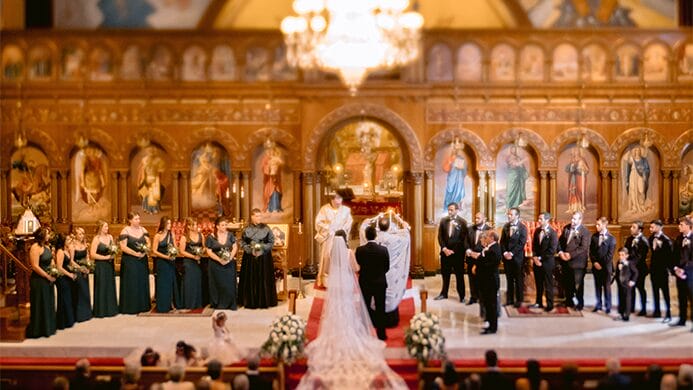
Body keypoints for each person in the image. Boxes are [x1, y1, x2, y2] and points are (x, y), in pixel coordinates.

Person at [296, 229, 407, 389]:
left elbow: (326, 270)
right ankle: (363, 333)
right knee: (348, 307)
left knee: (335, 308)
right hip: (349, 283)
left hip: (335, 284)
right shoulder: (350, 252)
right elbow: (356, 268)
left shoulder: (329, 254)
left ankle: (334, 335)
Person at [359, 212, 411, 327]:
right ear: (389, 227)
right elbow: (406, 232)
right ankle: (389, 319)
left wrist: (369, 220)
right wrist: (401, 221)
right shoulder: (398, 240)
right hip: (391, 273)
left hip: (374, 274)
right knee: (388, 292)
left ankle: (373, 319)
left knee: (374, 295)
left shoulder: (371, 237)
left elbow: (363, 228)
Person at [238, 208, 277, 309]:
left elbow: (271, 242)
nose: (259, 218)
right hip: (250, 258)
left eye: (260, 216)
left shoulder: (266, 228)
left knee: (263, 278)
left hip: (264, 258)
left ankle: (265, 301)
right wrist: (249, 250)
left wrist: (262, 249)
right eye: (257, 216)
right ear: (252, 217)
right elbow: (242, 242)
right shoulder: (246, 229)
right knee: (250, 278)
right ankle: (250, 301)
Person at [356, 226, 390, 341]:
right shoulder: (383, 250)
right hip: (380, 282)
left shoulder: (360, 250)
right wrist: (379, 274)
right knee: (381, 307)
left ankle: (364, 332)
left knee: (364, 308)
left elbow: (359, 264)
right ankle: (381, 334)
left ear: (365, 236)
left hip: (365, 281)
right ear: (376, 235)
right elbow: (387, 267)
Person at [314, 189, 353, 288]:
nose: (337, 201)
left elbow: (349, 223)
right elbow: (318, 223)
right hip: (328, 237)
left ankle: (340, 281)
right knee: (327, 257)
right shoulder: (324, 209)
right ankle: (325, 280)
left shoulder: (346, 210)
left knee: (340, 258)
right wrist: (329, 229)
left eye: (340, 198)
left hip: (340, 238)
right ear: (331, 199)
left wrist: (341, 231)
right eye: (335, 198)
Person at [26, 227, 57, 338]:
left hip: (49, 278)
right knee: (40, 303)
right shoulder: (35, 247)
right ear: (42, 235)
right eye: (47, 234)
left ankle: (48, 327)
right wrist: (47, 276)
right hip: (39, 280)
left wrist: (54, 269)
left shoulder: (46, 246)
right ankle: (38, 330)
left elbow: (51, 260)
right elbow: (35, 266)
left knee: (48, 302)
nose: (49, 235)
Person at [119, 212, 151, 314]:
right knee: (132, 282)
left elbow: (148, 242)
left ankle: (143, 305)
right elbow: (123, 247)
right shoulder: (125, 230)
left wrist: (145, 250)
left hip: (142, 260)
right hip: (130, 261)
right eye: (136, 219)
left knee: (142, 281)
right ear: (130, 220)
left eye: (139, 219)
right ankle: (131, 307)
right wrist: (135, 253)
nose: (138, 221)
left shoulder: (143, 229)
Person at [435, 202, 469, 302]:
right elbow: (440, 236)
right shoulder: (443, 221)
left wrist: (453, 251)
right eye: (448, 209)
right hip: (445, 253)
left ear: (457, 210)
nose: (449, 212)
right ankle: (444, 293)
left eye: (452, 210)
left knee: (459, 276)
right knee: (445, 275)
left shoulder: (463, 222)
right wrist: (444, 249)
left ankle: (462, 296)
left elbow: (464, 239)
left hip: (457, 254)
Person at [557, 211, 591, 310]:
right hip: (565, 261)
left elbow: (583, 247)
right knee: (568, 283)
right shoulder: (566, 228)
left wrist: (570, 255)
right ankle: (569, 301)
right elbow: (560, 242)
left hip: (578, 263)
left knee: (578, 285)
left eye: (575, 219)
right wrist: (560, 253)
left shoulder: (585, 232)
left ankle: (580, 303)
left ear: (580, 220)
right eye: (572, 218)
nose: (572, 220)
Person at [206, 217, 238, 310]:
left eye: (225, 225)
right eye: (223, 225)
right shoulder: (211, 237)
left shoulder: (231, 235)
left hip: (229, 264)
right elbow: (209, 251)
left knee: (229, 284)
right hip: (215, 265)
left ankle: (230, 303)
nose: (225, 227)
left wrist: (229, 258)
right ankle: (217, 303)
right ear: (217, 226)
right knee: (217, 284)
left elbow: (235, 247)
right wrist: (219, 260)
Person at [500, 207, 527, 308]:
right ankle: (509, 300)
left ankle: (519, 300)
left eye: (511, 214)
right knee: (509, 279)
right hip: (507, 258)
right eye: (508, 214)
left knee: (518, 279)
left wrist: (511, 253)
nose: (509, 216)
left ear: (517, 216)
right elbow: (502, 242)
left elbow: (521, 243)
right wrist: (505, 253)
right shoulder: (506, 227)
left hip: (517, 258)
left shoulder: (523, 228)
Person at [530, 212, 558, 312]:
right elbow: (534, 246)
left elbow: (552, 250)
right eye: (539, 219)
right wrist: (534, 257)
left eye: (541, 219)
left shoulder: (553, 233)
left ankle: (550, 305)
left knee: (548, 284)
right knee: (538, 283)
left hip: (547, 263)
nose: (539, 221)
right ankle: (538, 302)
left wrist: (540, 258)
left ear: (547, 220)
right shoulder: (537, 231)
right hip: (537, 261)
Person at [90, 220, 118, 318]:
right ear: (100, 228)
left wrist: (113, 254)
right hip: (100, 266)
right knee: (101, 286)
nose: (107, 228)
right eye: (105, 227)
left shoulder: (110, 237)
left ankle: (111, 309)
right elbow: (92, 254)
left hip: (109, 265)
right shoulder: (96, 239)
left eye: (107, 226)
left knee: (109, 285)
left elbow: (114, 248)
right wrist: (105, 258)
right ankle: (101, 310)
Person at [151, 216, 179, 313]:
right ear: (163, 224)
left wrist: (174, 252)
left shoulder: (172, 234)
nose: (170, 225)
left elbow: (175, 246)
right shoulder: (157, 236)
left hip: (171, 261)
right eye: (168, 224)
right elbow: (154, 250)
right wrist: (165, 257)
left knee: (171, 282)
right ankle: (163, 305)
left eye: (170, 223)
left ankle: (171, 304)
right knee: (163, 283)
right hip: (162, 263)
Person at [476, 232, 502, 335]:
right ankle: (490, 325)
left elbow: (488, 264)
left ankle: (493, 327)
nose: (485, 239)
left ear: (492, 238)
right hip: (487, 281)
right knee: (488, 304)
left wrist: (480, 258)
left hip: (490, 281)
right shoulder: (490, 248)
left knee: (492, 305)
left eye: (487, 237)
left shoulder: (494, 249)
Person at [590, 217, 616, 314]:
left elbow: (610, 255)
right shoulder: (594, 237)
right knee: (597, 287)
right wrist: (595, 262)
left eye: (598, 225)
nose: (596, 226)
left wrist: (601, 264)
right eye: (596, 224)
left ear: (605, 225)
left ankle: (608, 306)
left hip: (606, 268)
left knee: (606, 287)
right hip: (596, 266)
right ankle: (598, 305)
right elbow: (591, 252)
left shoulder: (611, 238)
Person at [670, 217, 693, 330]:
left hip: (690, 273)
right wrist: (675, 268)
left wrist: (684, 269)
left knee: (692, 298)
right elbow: (674, 256)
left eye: (681, 225)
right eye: (679, 224)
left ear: (689, 226)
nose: (679, 226)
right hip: (679, 273)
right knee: (681, 297)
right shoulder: (678, 239)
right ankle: (682, 320)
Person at [649, 219, 673, 321]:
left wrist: (670, 271)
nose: (650, 229)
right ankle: (657, 311)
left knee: (665, 292)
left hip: (662, 269)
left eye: (652, 227)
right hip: (654, 269)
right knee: (655, 291)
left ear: (659, 227)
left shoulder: (666, 240)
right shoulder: (651, 238)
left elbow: (669, 256)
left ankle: (668, 312)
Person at [624, 221, 649, 316]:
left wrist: (630, 264)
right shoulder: (629, 239)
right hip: (630, 268)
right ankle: (631, 307)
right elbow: (626, 250)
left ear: (640, 230)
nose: (631, 228)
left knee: (640, 288)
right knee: (631, 288)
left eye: (633, 227)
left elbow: (640, 256)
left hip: (639, 269)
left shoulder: (644, 241)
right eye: (631, 226)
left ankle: (643, 309)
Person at [466, 212, 491, 305]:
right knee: (471, 278)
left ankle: (482, 298)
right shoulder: (470, 229)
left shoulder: (489, 230)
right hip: (471, 258)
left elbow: (490, 245)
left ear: (484, 219)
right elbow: (466, 242)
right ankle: (473, 297)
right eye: (475, 218)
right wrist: (469, 251)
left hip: (482, 259)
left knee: (482, 279)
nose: (476, 220)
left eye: (478, 218)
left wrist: (480, 254)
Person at [178, 217, 204, 309]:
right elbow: (181, 251)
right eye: (193, 225)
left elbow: (204, 247)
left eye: (196, 224)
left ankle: (197, 303)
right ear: (188, 226)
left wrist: (200, 252)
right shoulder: (184, 237)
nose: (196, 226)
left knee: (197, 281)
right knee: (189, 282)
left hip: (198, 262)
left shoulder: (201, 235)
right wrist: (193, 256)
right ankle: (188, 304)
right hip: (188, 263)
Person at [54, 233, 77, 330]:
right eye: (67, 240)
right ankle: (62, 322)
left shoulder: (66, 250)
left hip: (67, 277)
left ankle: (68, 320)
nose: (69, 242)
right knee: (63, 299)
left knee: (68, 298)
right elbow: (59, 267)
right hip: (62, 278)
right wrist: (70, 274)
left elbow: (69, 263)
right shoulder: (60, 251)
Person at [71, 227, 92, 322]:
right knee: (79, 292)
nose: (82, 236)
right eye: (79, 234)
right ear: (75, 235)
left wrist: (88, 265)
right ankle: (78, 315)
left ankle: (86, 313)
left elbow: (87, 256)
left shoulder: (84, 244)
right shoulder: (72, 245)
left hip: (85, 270)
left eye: (83, 233)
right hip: (77, 270)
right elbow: (71, 261)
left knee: (85, 292)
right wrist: (81, 268)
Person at [614, 247, 638, 322]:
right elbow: (617, 273)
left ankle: (627, 315)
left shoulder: (630, 263)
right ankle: (621, 313)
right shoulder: (618, 262)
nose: (621, 256)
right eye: (620, 255)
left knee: (627, 299)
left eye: (623, 255)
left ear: (627, 255)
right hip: (620, 283)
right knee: (620, 298)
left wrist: (632, 281)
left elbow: (636, 272)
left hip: (627, 284)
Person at [442, 141, 467, 211]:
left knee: (458, 192)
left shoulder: (461, 159)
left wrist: (462, 168)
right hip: (452, 178)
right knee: (450, 191)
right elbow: (445, 168)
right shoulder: (450, 158)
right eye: (455, 149)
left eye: (458, 150)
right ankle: (448, 207)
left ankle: (457, 207)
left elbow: (465, 170)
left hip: (459, 179)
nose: (456, 151)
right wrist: (450, 163)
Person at [625, 146, 650, 213]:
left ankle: (641, 205)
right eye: (636, 150)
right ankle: (634, 207)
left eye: (638, 150)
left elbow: (647, 169)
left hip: (640, 176)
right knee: (633, 190)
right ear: (634, 152)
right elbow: (628, 170)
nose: (637, 151)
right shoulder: (631, 159)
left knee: (641, 190)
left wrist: (644, 173)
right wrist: (627, 180)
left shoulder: (644, 160)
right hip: (632, 175)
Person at [565, 148, 590, 214]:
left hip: (579, 178)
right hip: (573, 178)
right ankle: (573, 208)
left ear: (579, 152)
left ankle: (581, 206)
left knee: (580, 191)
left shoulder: (582, 160)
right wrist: (571, 166)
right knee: (572, 192)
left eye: (576, 151)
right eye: (574, 151)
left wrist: (581, 169)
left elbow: (587, 170)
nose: (575, 153)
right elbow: (567, 169)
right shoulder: (572, 160)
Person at [262, 143, 284, 212]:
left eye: (273, 150)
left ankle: (276, 207)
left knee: (276, 192)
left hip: (276, 178)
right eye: (270, 150)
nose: (271, 152)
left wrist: (275, 166)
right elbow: (263, 168)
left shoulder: (276, 158)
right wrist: (268, 167)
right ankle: (269, 208)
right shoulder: (266, 159)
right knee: (270, 192)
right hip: (269, 180)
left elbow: (280, 164)